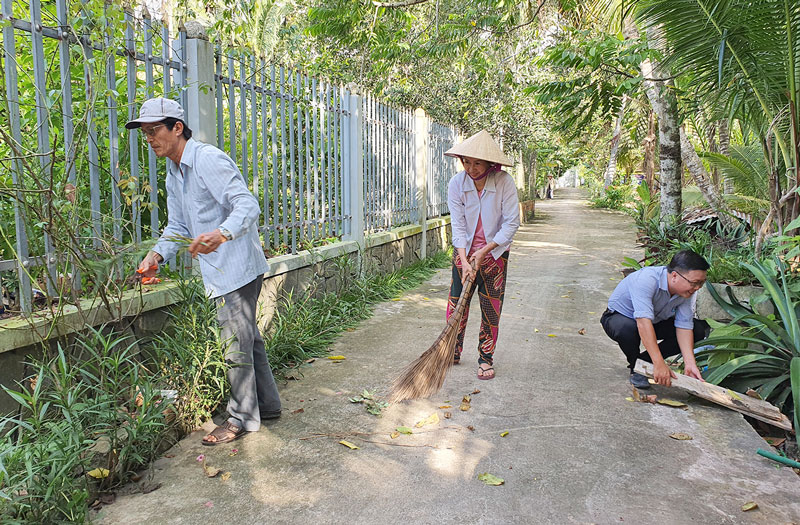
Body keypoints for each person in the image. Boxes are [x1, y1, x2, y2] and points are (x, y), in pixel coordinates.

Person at [128, 97, 281, 446]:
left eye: (154, 131)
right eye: (145, 133)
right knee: (248, 341)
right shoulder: (174, 169)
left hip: (236, 267)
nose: (150, 139)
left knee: (235, 346)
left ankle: (241, 418)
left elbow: (246, 203)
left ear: (177, 128)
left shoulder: (207, 159)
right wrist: (156, 255)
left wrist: (222, 233)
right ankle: (268, 406)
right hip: (219, 269)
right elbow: (178, 224)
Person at [444, 130, 520, 380]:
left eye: (477, 162)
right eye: (466, 161)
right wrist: (464, 260)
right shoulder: (457, 183)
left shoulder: (503, 182)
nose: (471, 167)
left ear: (490, 163)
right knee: (457, 304)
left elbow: (511, 223)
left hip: (494, 255)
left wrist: (485, 251)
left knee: (490, 309)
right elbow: (458, 226)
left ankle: (485, 359)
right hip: (464, 253)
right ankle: (451, 351)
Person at [600, 249, 710, 389]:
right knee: (627, 329)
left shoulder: (686, 291)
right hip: (621, 318)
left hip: (655, 321)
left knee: (697, 330)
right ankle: (636, 366)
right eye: (694, 283)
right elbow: (643, 323)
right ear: (675, 275)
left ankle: (644, 361)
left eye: (701, 283)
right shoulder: (647, 280)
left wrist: (690, 364)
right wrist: (659, 364)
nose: (697, 288)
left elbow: (684, 326)